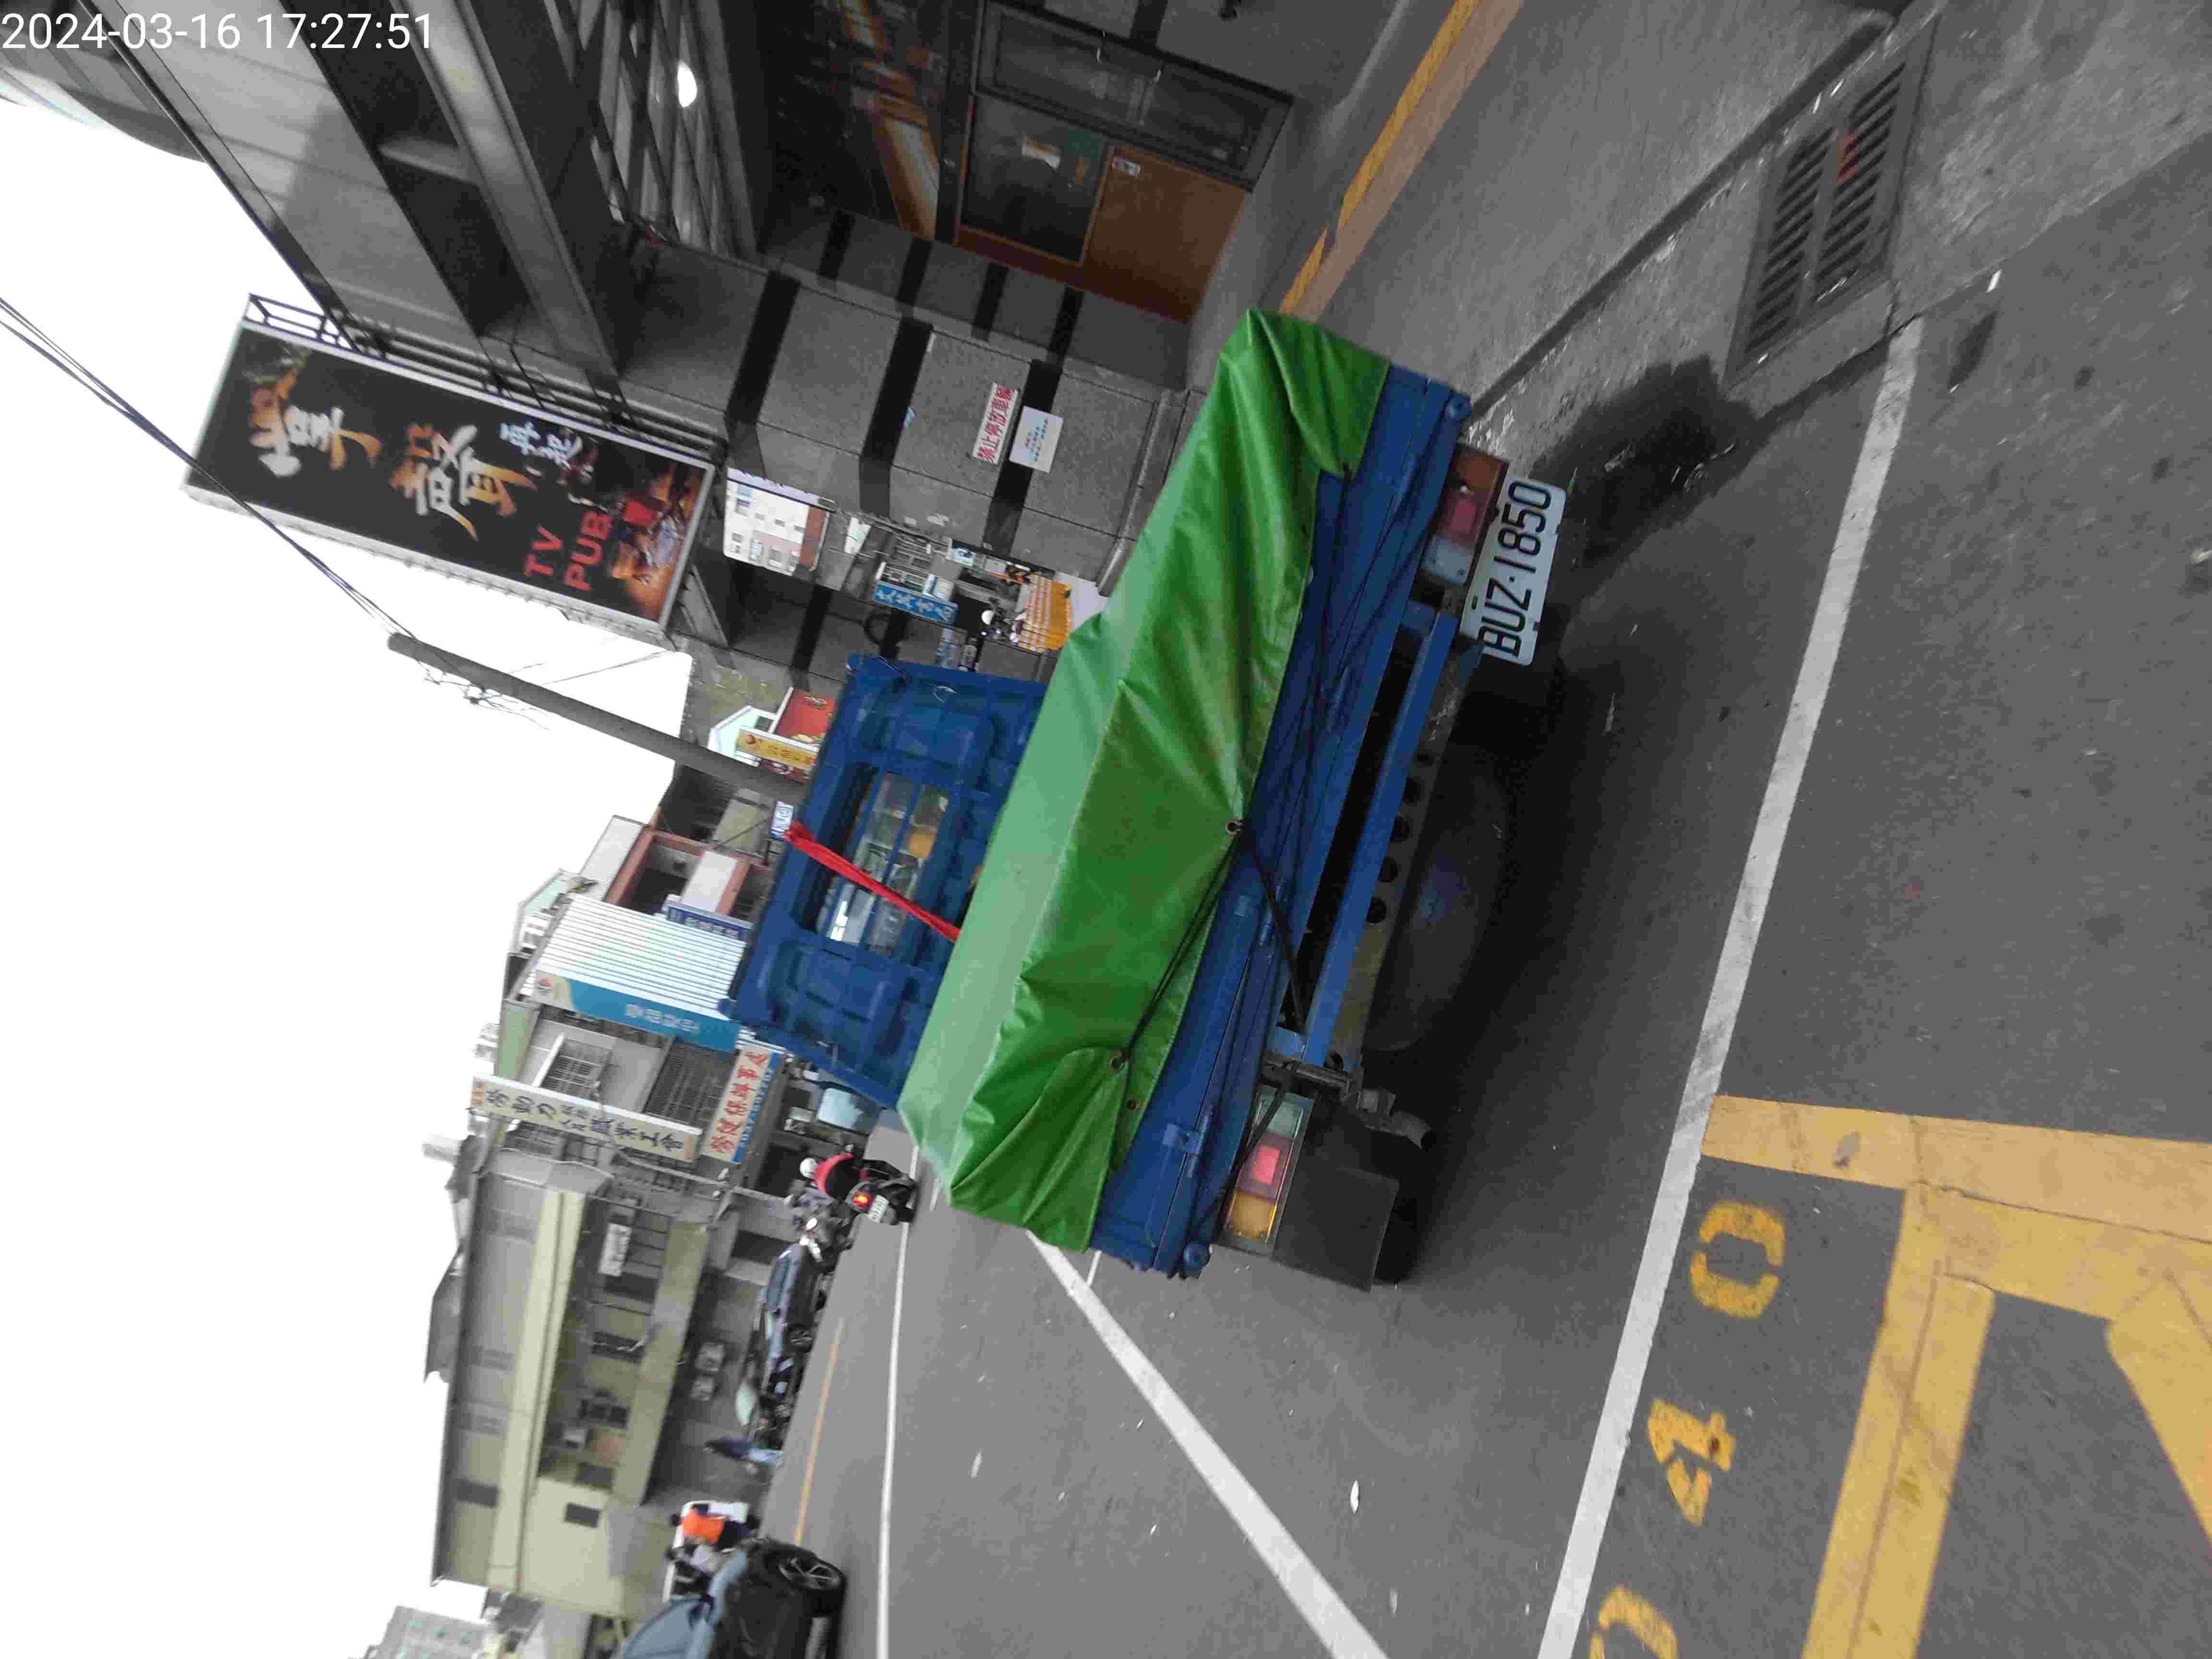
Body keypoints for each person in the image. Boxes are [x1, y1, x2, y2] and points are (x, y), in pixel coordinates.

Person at [800, 1152, 907, 1206]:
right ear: (815, 1162)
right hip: (864, 1180)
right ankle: (900, 1176)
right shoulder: (832, 1162)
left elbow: (838, 1198)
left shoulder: (821, 1188)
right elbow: (851, 1158)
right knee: (877, 1165)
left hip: (856, 1198)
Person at [705, 1433, 782, 1468]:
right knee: (761, 1454)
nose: (710, 1452)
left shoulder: (723, 1443)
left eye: (709, 1449)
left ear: (712, 1446)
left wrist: (743, 1456)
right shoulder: (721, 1448)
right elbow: (733, 1456)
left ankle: (776, 1461)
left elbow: (735, 1443)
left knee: (761, 1457)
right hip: (745, 1450)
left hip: (745, 1449)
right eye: (708, 1451)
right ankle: (778, 1454)